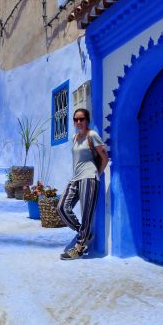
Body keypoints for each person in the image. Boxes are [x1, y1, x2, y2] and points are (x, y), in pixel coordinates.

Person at [57, 108, 109, 260]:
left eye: (82, 119)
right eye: (76, 120)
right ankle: (85, 233)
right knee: (61, 207)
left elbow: (104, 157)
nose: (78, 122)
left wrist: (96, 174)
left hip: (89, 177)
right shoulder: (74, 138)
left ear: (87, 120)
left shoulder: (92, 135)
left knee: (86, 214)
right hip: (76, 178)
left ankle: (79, 247)